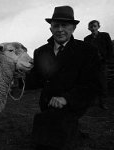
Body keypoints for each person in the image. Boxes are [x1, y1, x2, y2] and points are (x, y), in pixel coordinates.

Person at [26, 6, 101, 150]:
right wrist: (19, 76)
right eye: (56, 25)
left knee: (53, 140)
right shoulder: (40, 52)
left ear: (73, 28)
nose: (60, 29)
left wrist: (66, 99)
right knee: (47, 133)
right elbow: (36, 80)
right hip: (47, 103)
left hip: (73, 103)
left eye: (64, 25)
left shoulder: (87, 51)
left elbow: (92, 85)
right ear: (50, 29)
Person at [84, 20, 113, 110]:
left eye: (95, 26)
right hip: (92, 64)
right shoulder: (87, 39)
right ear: (89, 28)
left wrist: (106, 59)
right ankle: (92, 101)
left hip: (102, 63)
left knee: (103, 83)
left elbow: (110, 49)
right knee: (93, 82)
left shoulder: (105, 35)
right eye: (91, 27)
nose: (93, 28)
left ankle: (103, 102)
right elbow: (86, 52)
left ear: (98, 27)